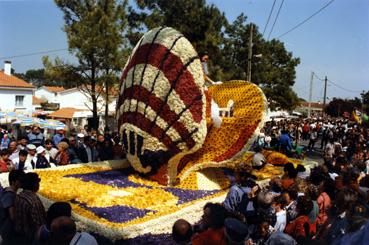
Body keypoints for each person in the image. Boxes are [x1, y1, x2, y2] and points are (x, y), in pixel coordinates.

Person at [15, 173, 46, 243]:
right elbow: (38, 223)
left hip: (20, 234)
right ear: (34, 185)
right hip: (31, 237)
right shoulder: (33, 200)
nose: (38, 185)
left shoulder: (19, 195)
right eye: (37, 183)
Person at [0, 170, 25, 244]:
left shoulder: (8, 192)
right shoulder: (10, 195)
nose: (22, 182)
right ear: (13, 181)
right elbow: (13, 216)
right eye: (20, 180)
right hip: (9, 230)